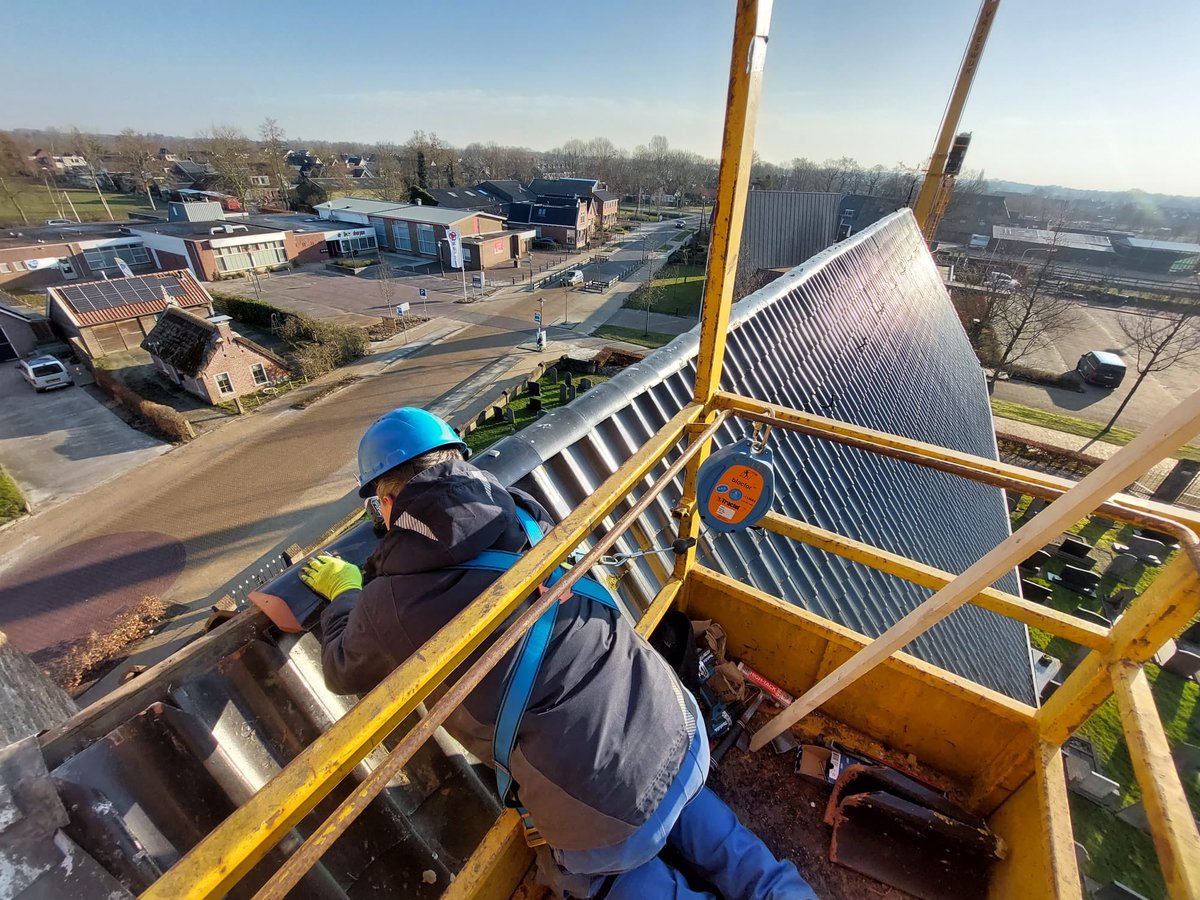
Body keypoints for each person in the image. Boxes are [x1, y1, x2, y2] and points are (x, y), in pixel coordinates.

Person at [301, 407, 814, 899]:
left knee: (590, 875)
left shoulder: (388, 601)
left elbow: (342, 667)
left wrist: (348, 592)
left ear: (387, 505)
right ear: (456, 464)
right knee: (729, 848)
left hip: (606, 811)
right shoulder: (523, 512)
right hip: (677, 727)